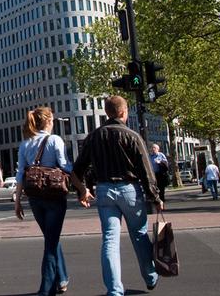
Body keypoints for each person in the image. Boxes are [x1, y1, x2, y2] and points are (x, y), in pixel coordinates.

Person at [72, 95, 164, 296]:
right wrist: (155, 197)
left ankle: (114, 290)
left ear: (107, 112)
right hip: (130, 190)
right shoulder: (132, 136)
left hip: (104, 190)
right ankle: (150, 276)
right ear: (123, 112)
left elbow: (78, 169)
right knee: (139, 234)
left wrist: (82, 191)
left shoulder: (94, 137)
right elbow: (146, 171)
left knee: (110, 240)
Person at [15, 107, 93, 296]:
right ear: (48, 121)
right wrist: (82, 189)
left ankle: (62, 278)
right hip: (54, 196)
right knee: (51, 242)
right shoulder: (55, 140)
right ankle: (46, 289)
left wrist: (17, 201)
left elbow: (20, 174)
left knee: (51, 238)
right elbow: (66, 167)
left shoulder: (25, 143)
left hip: (35, 198)